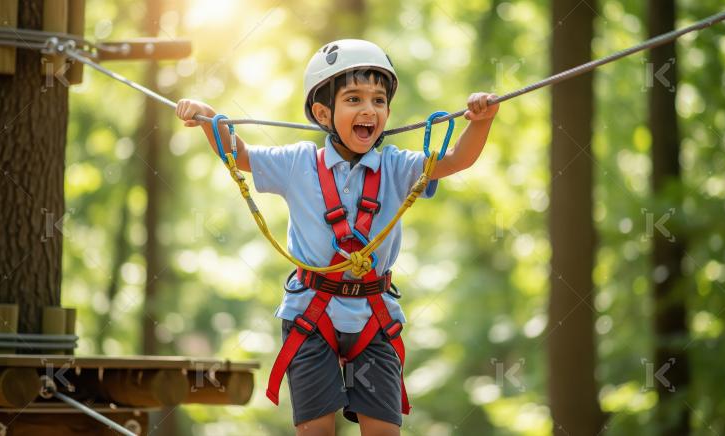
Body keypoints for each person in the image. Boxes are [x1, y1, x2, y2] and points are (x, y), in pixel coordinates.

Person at [176, 39, 498, 436]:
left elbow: (456, 160)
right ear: (323, 112)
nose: (369, 110)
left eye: (379, 101)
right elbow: (239, 154)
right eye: (354, 99)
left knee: (383, 431)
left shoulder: (397, 168)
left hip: (374, 318)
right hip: (311, 315)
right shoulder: (297, 163)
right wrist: (209, 117)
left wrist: (480, 121)